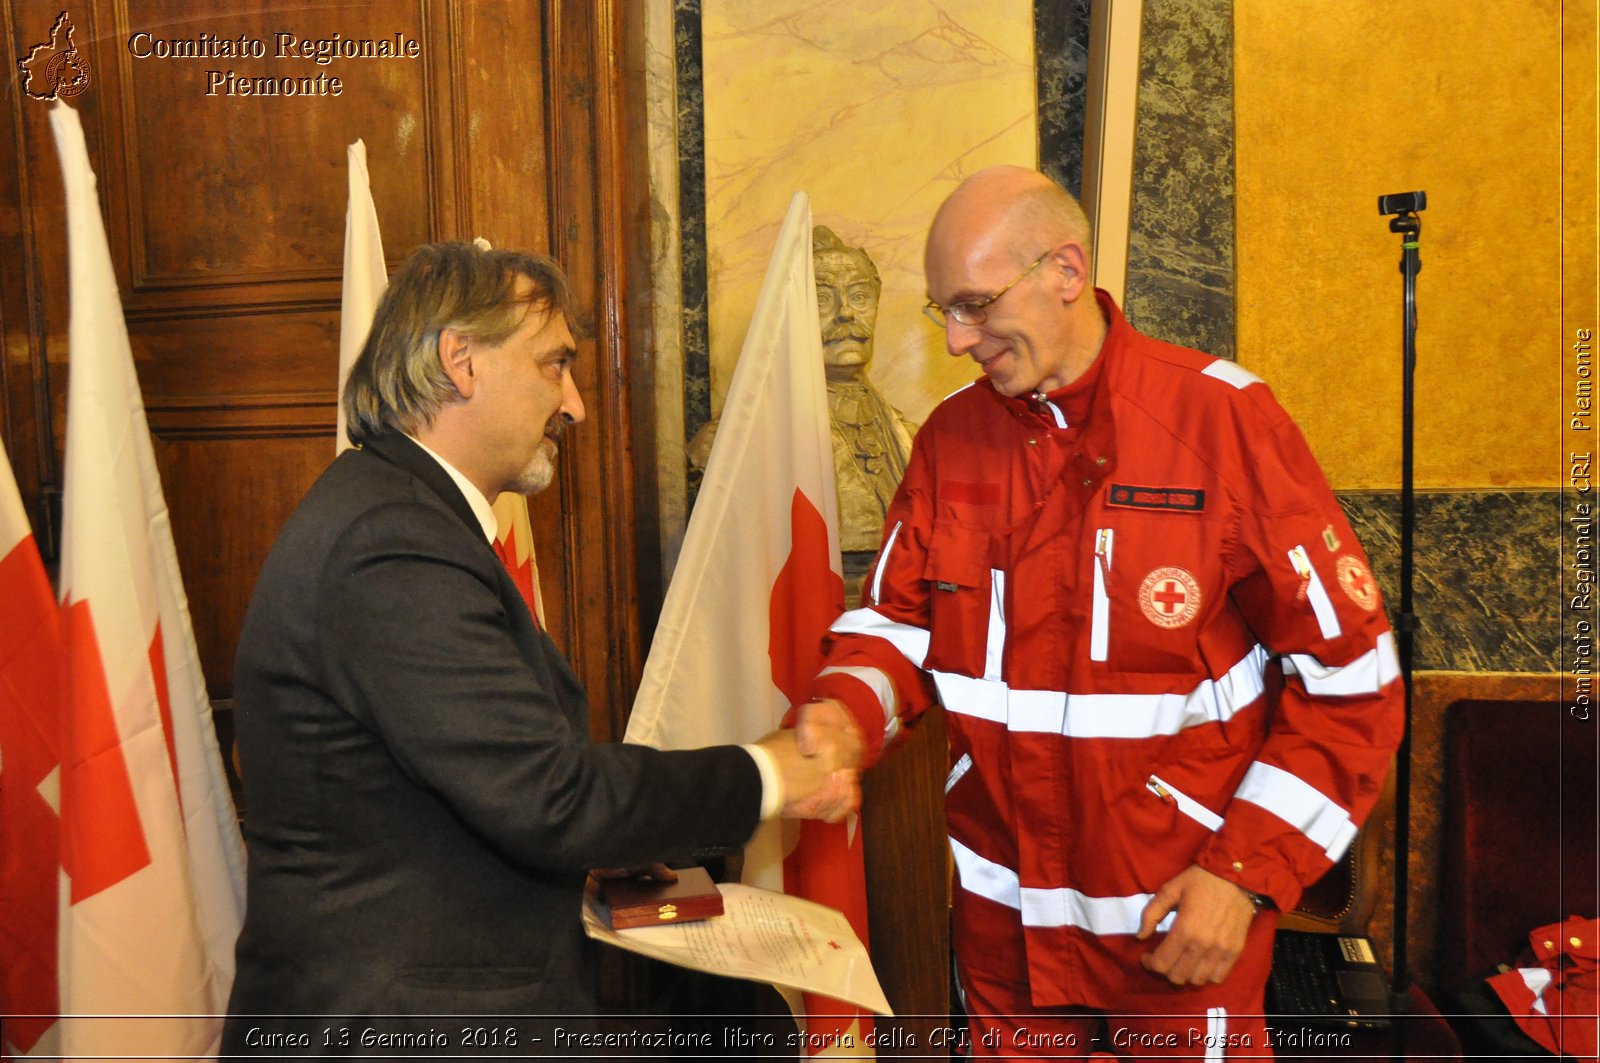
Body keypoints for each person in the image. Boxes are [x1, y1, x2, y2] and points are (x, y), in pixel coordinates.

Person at [799, 167, 1403, 1059]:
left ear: (1067, 271)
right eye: (943, 313)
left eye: (974, 304)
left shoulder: (1221, 422)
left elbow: (1355, 685)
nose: (959, 339)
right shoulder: (951, 439)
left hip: (1179, 930)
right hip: (1006, 946)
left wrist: (1240, 877)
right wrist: (842, 715)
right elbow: (898, 624)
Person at [222, 242, 857, 1053]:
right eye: (555, 363)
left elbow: (441, 791)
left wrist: (576, 867)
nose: (576, 404)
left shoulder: (396, 511)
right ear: (461, 361)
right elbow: (550, 797)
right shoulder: (392, 540)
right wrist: (773, 771)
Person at [689, 225, 918, 603]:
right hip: (804, 612)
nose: (846, 314)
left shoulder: (909, 435)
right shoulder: (737, 441)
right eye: (823, 299)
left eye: (859, 296)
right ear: (788, 314)